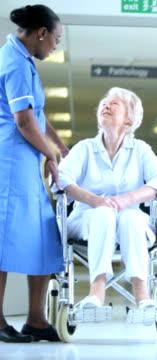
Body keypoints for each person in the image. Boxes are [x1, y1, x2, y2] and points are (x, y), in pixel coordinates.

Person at [57, 87, 157, 312]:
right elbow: (60, 180)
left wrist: (127, 199)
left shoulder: (140, 149)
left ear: (128, 120)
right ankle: (97, 289)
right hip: (86, 218)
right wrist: (94, 200)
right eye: (104, 102)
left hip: (130, 216)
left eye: (114, 103)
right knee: (103, 212)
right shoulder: (84, 149)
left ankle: (142, 294)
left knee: (132, 220)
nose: (106, 105)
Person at [0, 4, 69, 343]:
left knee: (43, 237)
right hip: (10, 165)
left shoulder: (23, 60)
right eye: (55, 39)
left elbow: (37, 113)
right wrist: (51, 155)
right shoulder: (12, 61)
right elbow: (24, 121)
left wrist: (59, 145)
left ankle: (36, 319)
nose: (55, 47)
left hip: (27, 166)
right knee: (3, 242)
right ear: (41, 33)